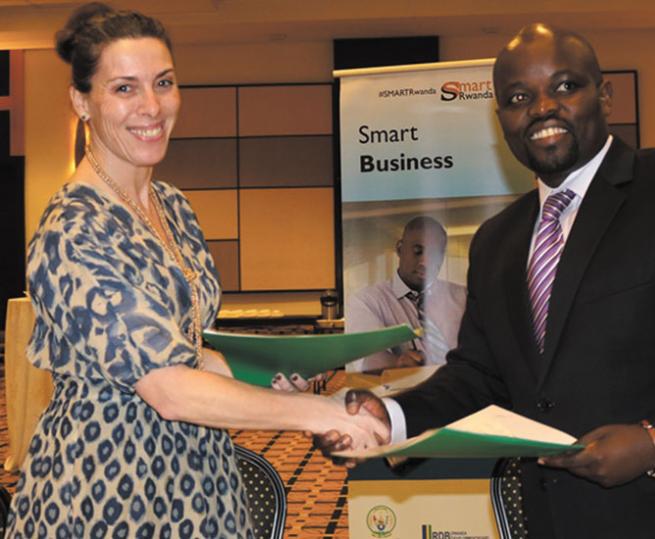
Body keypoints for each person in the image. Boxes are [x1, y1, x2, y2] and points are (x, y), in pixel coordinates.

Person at [321, 23, 655, 538]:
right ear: (501, 121)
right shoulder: (496, 240)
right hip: (561, 519)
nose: (541, 108)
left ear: (603, 95)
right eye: (517, 97)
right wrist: (391, 416)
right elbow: (481, 376)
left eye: (564, 86)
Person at [5, 4, 387, 537]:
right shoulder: (73, 227)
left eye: (163, 83)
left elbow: (183, 351)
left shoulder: (173, 206)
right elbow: (169, 388)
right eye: (124, 88)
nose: (152, 106)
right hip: (107, 490)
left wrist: (270, 381)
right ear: (81, 101)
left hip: (198, 475)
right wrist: (314, 412)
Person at [345, 216, 466, 372]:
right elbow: (367, 358)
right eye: (418, 251)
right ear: (400, 249)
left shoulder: (463, 298)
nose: (425, 262)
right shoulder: (367, 301)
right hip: (404, 392)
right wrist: (398, 362)